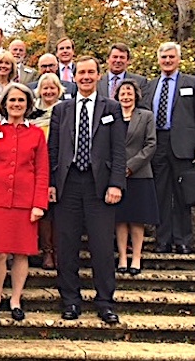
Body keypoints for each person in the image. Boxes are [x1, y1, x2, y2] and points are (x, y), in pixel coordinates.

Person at [48, 56, 125, 325]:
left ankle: (105, 301)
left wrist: (116, 183)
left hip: (99, 186)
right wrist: (51, 184)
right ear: (74, 76)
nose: (86, 77)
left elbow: (118, 149)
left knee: (102, 246)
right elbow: (53, 150)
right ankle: (70, 300)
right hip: (68, 185)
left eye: (91, 72)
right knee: (66, 245)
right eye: (81, 73)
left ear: (98, 75)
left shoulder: (111, 107)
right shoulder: (62, 110)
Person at [0, 83, 49, 321]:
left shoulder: (36, 133)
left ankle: (16, 299)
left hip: (25, 202)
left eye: (21, 101)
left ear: (28, 105)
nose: (16, 105)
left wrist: (39, 204)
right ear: (4, 104)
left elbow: (42, 170)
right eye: (12, 100)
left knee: (22, 254)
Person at [144, 42, 195, 254]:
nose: (167, 61)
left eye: (171, 57)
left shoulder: (192, 82)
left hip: (184, 145)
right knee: (160, 194)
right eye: (164, 57)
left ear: (178, 59)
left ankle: (182, 240)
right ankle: (162, 240)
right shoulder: (151, 85)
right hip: (158, 143)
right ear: (158, 60)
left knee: (183, 195)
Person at [114, 79, 159, 275]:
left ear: (136, 95)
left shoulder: (146, 116)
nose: (126, 96)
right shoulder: (111, 115)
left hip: (140, 174)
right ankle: (123, 256)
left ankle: (137, 257)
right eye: (122, 93)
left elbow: (151, 144)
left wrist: (131, 166)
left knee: (136, 218)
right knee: (120, 218)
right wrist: (117, 168)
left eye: (129, 93)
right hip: (116, 174)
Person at [29, 73, 66, 270]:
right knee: (43, 211)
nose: (49, 91)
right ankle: (47, 251)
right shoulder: (32, 114)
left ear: (59, 90)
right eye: (45, 88)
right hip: (36, 166)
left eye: (52, 88)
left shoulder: (66, 110)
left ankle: (61, 250)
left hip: (60, 164)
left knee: (59, 211)